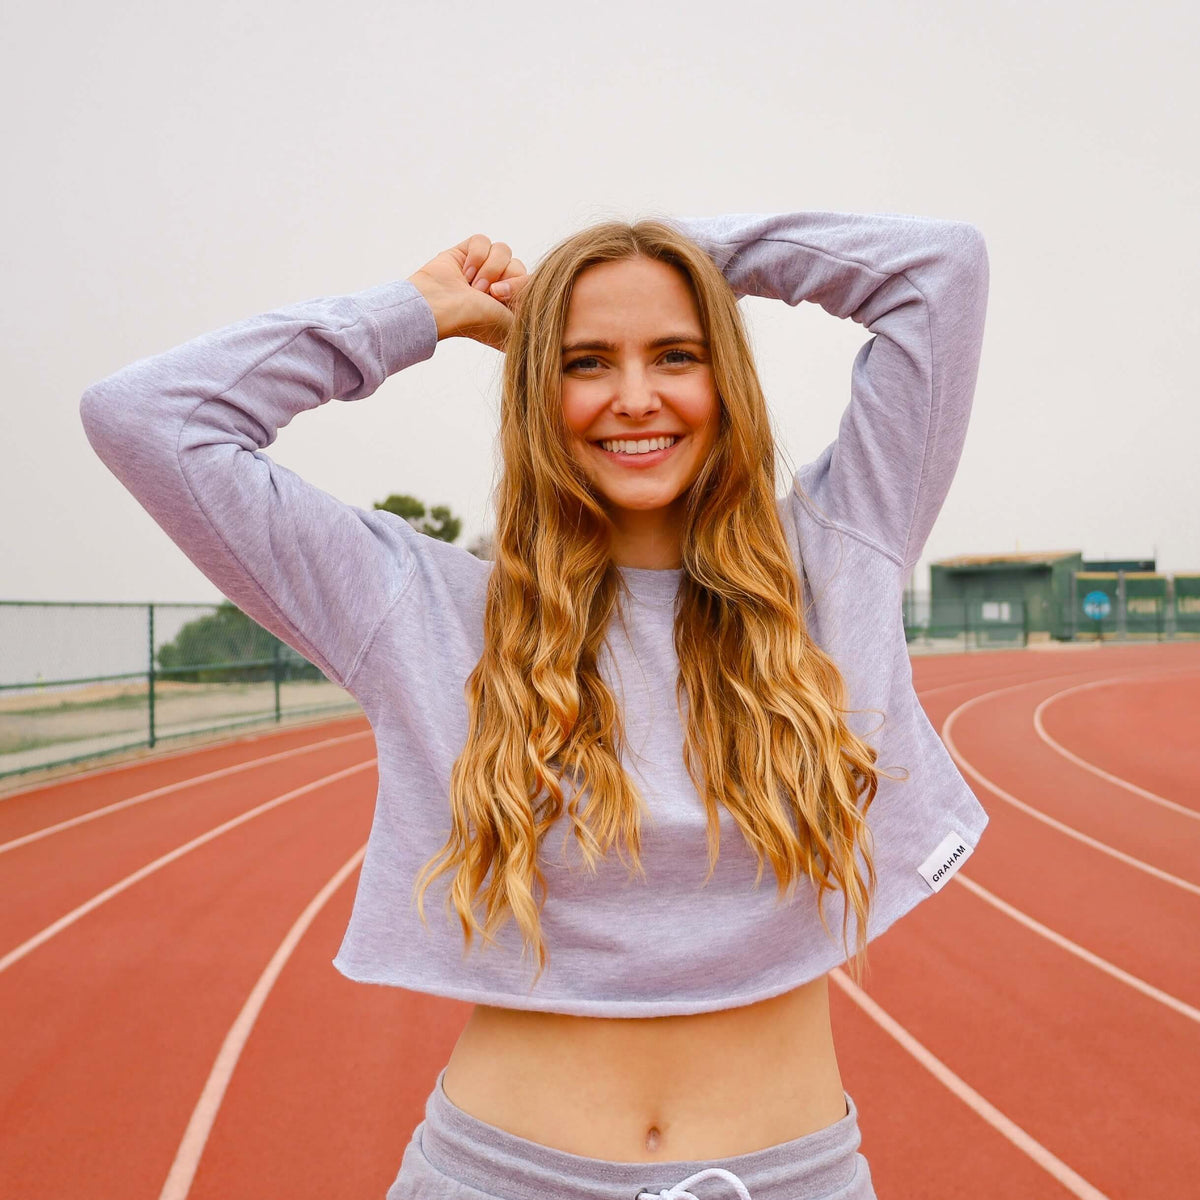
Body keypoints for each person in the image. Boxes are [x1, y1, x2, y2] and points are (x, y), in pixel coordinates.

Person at [79, 207, 991, 1200]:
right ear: (531, 389)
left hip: (792, 1177)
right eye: (584, 362)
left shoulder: (838, 551)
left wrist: (664, 255)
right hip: (497, 1177)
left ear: (725, 379)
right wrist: (415, 313)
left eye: (676, 355)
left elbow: (939, 272)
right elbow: (147, 418)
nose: (634, 397)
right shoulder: (419, 609)